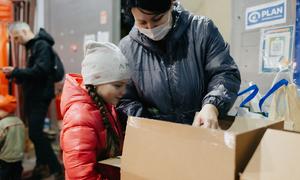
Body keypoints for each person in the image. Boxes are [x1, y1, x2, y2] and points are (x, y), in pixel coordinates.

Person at [117, 0, 241, 128]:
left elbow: (225, 72)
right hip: (155, 137)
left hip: (203, 131)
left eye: (157, 19)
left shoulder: (202, 30)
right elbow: (125, 98)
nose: (150, 28)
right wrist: (147, 124)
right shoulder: (127, 49)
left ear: (171, 4)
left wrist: (212, 105)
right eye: (142, 22)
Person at [60, 41, 130, 180]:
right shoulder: (80, 119)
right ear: (96, 81)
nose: (124, 92)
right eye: (117, 85)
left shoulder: (105, 104)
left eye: (125, 85)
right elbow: (81, 176)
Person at [2, 22, 63, 179]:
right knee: (35, 133)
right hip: (33, 96)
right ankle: (41, 166)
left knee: (35, 134)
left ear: (24, 31)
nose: (16, 42)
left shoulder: (41, 45)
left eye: (16, 38)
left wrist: (16, 70)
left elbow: (41, 70)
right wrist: (16, 76)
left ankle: (56, 168)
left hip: (39, 97)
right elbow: (33, 74)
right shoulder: (32, 47)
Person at [0, 95, 25, 180]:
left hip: (6, 157)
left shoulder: (2, 124)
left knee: (4, 176)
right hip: (19, 156)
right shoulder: (20, 121)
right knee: (16, 176)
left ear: (6, 111)